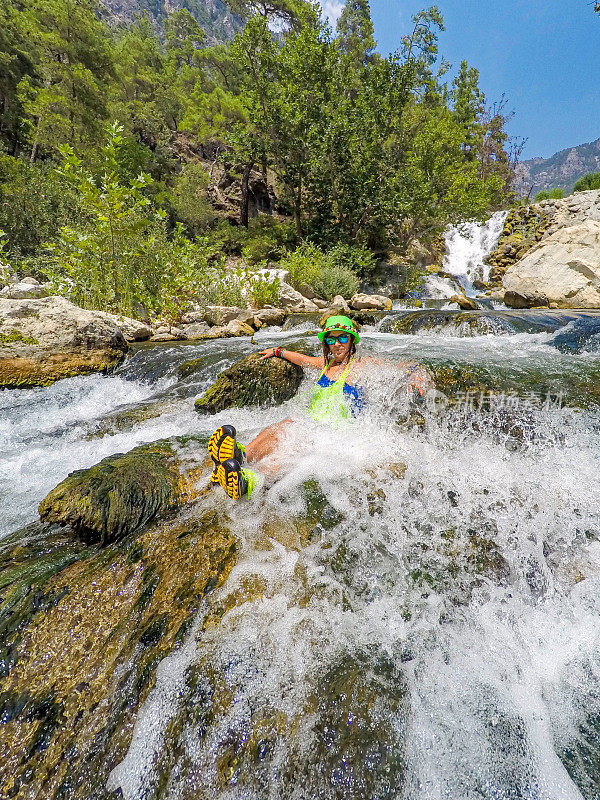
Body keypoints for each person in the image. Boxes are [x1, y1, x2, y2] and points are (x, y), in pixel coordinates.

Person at [208, 315, 429, 500]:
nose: (338, 344)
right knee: (281, 427)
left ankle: (249, 484)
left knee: (291, 448)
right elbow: (302, 359)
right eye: (332, 340)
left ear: (352, 341)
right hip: (311, 426)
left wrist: (415, 372)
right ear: (326, 344)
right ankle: (240, 456)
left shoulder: (362, 365)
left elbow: (399, 366)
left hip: (334, 436)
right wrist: (277, 351)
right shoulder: (326, 365)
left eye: (343, 337)